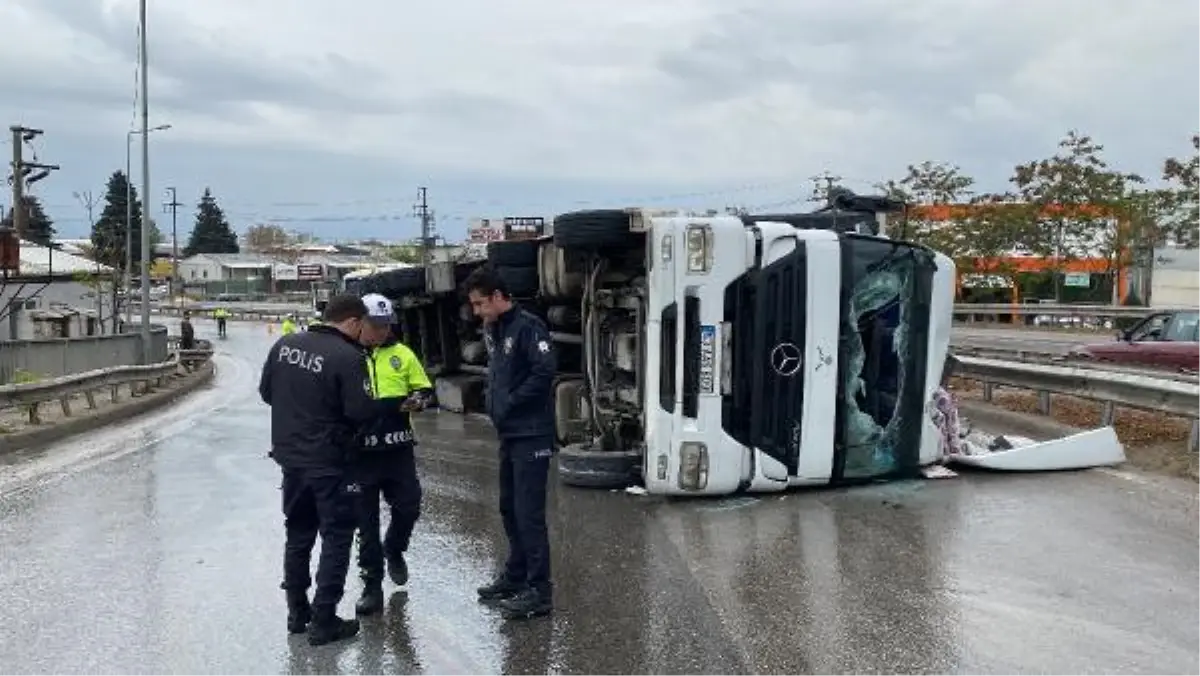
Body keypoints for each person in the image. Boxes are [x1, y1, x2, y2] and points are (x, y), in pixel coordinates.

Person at [258, 294, 378, 646]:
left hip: (291, 460)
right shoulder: (348, 357)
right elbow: (362, 413)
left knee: (298, 534)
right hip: (331, 464)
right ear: (354, 322)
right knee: (337, 537)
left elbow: (267, 393)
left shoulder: (285, 344)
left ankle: (298, 613)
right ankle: (324, 619)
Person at [463, 266, 557, 620]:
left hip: (531, 432)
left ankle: (539, 590)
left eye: (480, 304)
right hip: (510, 433)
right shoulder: (494, 329)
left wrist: (511, 401)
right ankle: (516, 576)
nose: (477, 312)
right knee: (508, 507)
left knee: (529, 514)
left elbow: (544, 371)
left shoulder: (528, 327)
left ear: (499, 297)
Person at [352, 293, 435, 616]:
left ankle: (395, 549)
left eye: (387, 325)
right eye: (376, 325)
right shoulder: (348, 356)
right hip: (361, 455)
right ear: (360, 323)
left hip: (398, 449)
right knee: (366, 524)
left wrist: (418, 400)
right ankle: (371, 586)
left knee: (409, 507)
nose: (383, 331)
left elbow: (424, 389)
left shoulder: (402, 353)